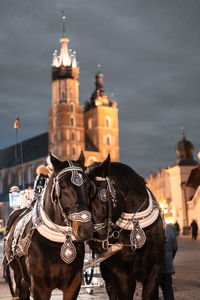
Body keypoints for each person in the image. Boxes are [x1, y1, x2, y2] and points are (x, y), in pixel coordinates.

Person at [156, 224, 178, 300]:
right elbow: (175, 247)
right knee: (168, 291)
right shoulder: (169, 229)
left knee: (152, 291)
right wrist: (170, 259)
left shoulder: (150, 227)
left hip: (153, 268)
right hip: (167, 266)